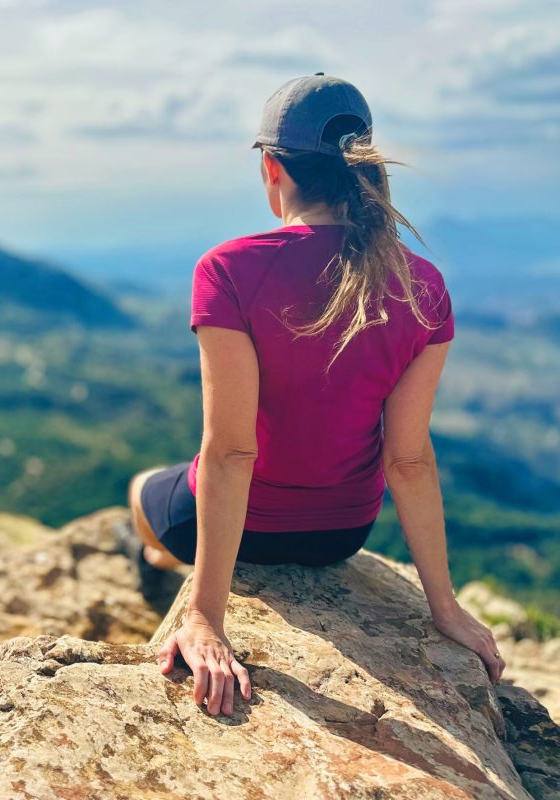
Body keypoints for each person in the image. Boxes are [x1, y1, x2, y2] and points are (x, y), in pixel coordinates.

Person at [125, 73, 506, 718]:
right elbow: (408, 460)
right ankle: (163, 558)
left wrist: (207, 619)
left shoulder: (228, 269)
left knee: (140, 490)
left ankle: (156, 558)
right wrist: (444, 609)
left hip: (236, 531)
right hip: (341, 534)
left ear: (272, 168)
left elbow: (230, 454)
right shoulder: (426, 286)